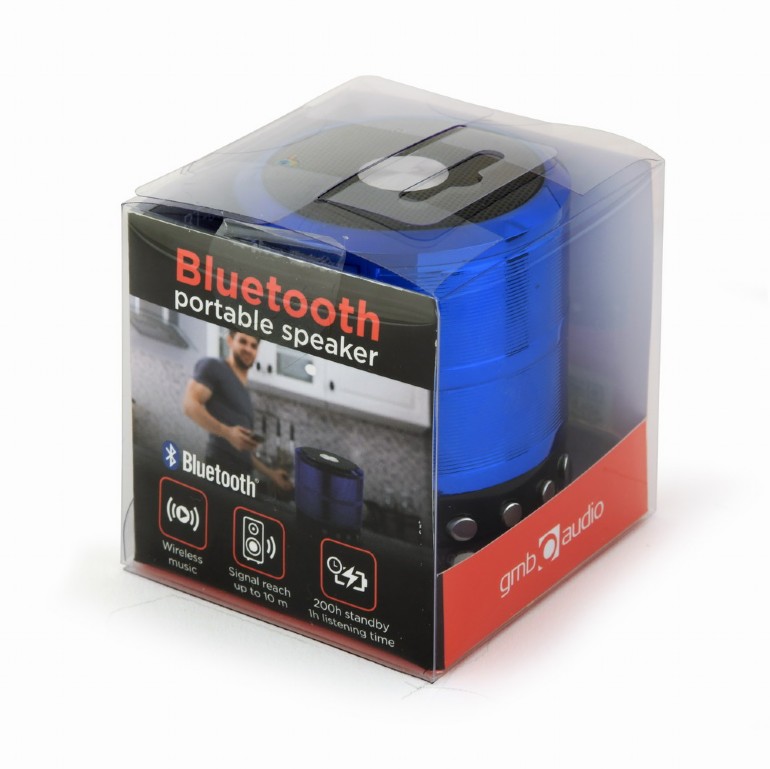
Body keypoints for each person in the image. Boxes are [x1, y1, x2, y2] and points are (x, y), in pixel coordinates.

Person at [183, 329, 292, 493]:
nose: (248, 348)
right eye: (243, 341)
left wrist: (271, 474)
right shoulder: (213, 366)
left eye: (253, 345)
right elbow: (189, 404)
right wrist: (226, 432)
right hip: (220, 468)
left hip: (241, 475)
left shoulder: (245, 393)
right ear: (230, 341)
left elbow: (242, 448)